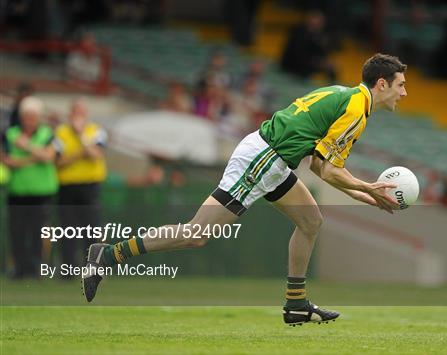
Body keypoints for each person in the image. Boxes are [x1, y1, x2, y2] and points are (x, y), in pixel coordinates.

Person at [83, 53, 407, 326]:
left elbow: (323, 166)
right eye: (401, 85)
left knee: (311, 222)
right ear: (382, 84)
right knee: (196, 234)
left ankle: (296, 305)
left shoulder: (346, 96)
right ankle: (110, 254)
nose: (404, 93)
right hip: (265, 158)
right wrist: (367, 188)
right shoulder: (355, 110)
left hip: (273, 159)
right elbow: (324, 167)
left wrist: (363, 194)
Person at [1, 96, 58, 278]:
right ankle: (19, 268)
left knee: (38, 232)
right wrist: (35, 157)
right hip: (18, 191)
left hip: (42, 192)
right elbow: (7, 160)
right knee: (17, 231)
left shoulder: (48, 133)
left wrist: (26, 147)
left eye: (33, 116)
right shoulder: (10, 134)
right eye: (26, 116)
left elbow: (49, 157)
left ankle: (36, 269)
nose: (29, 120)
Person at [54, 99, 107, 273]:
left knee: (91, 230)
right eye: (75, 113)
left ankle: (94, 268)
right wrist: (81, 153)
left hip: (90, 186)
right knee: (68, 229)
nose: (78, 117)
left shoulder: (96, 131)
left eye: (81, 113)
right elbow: (59, 161)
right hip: (67, 186)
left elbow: (96, 155)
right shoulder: (60, 133)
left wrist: (81, 136)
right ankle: (68, 270)